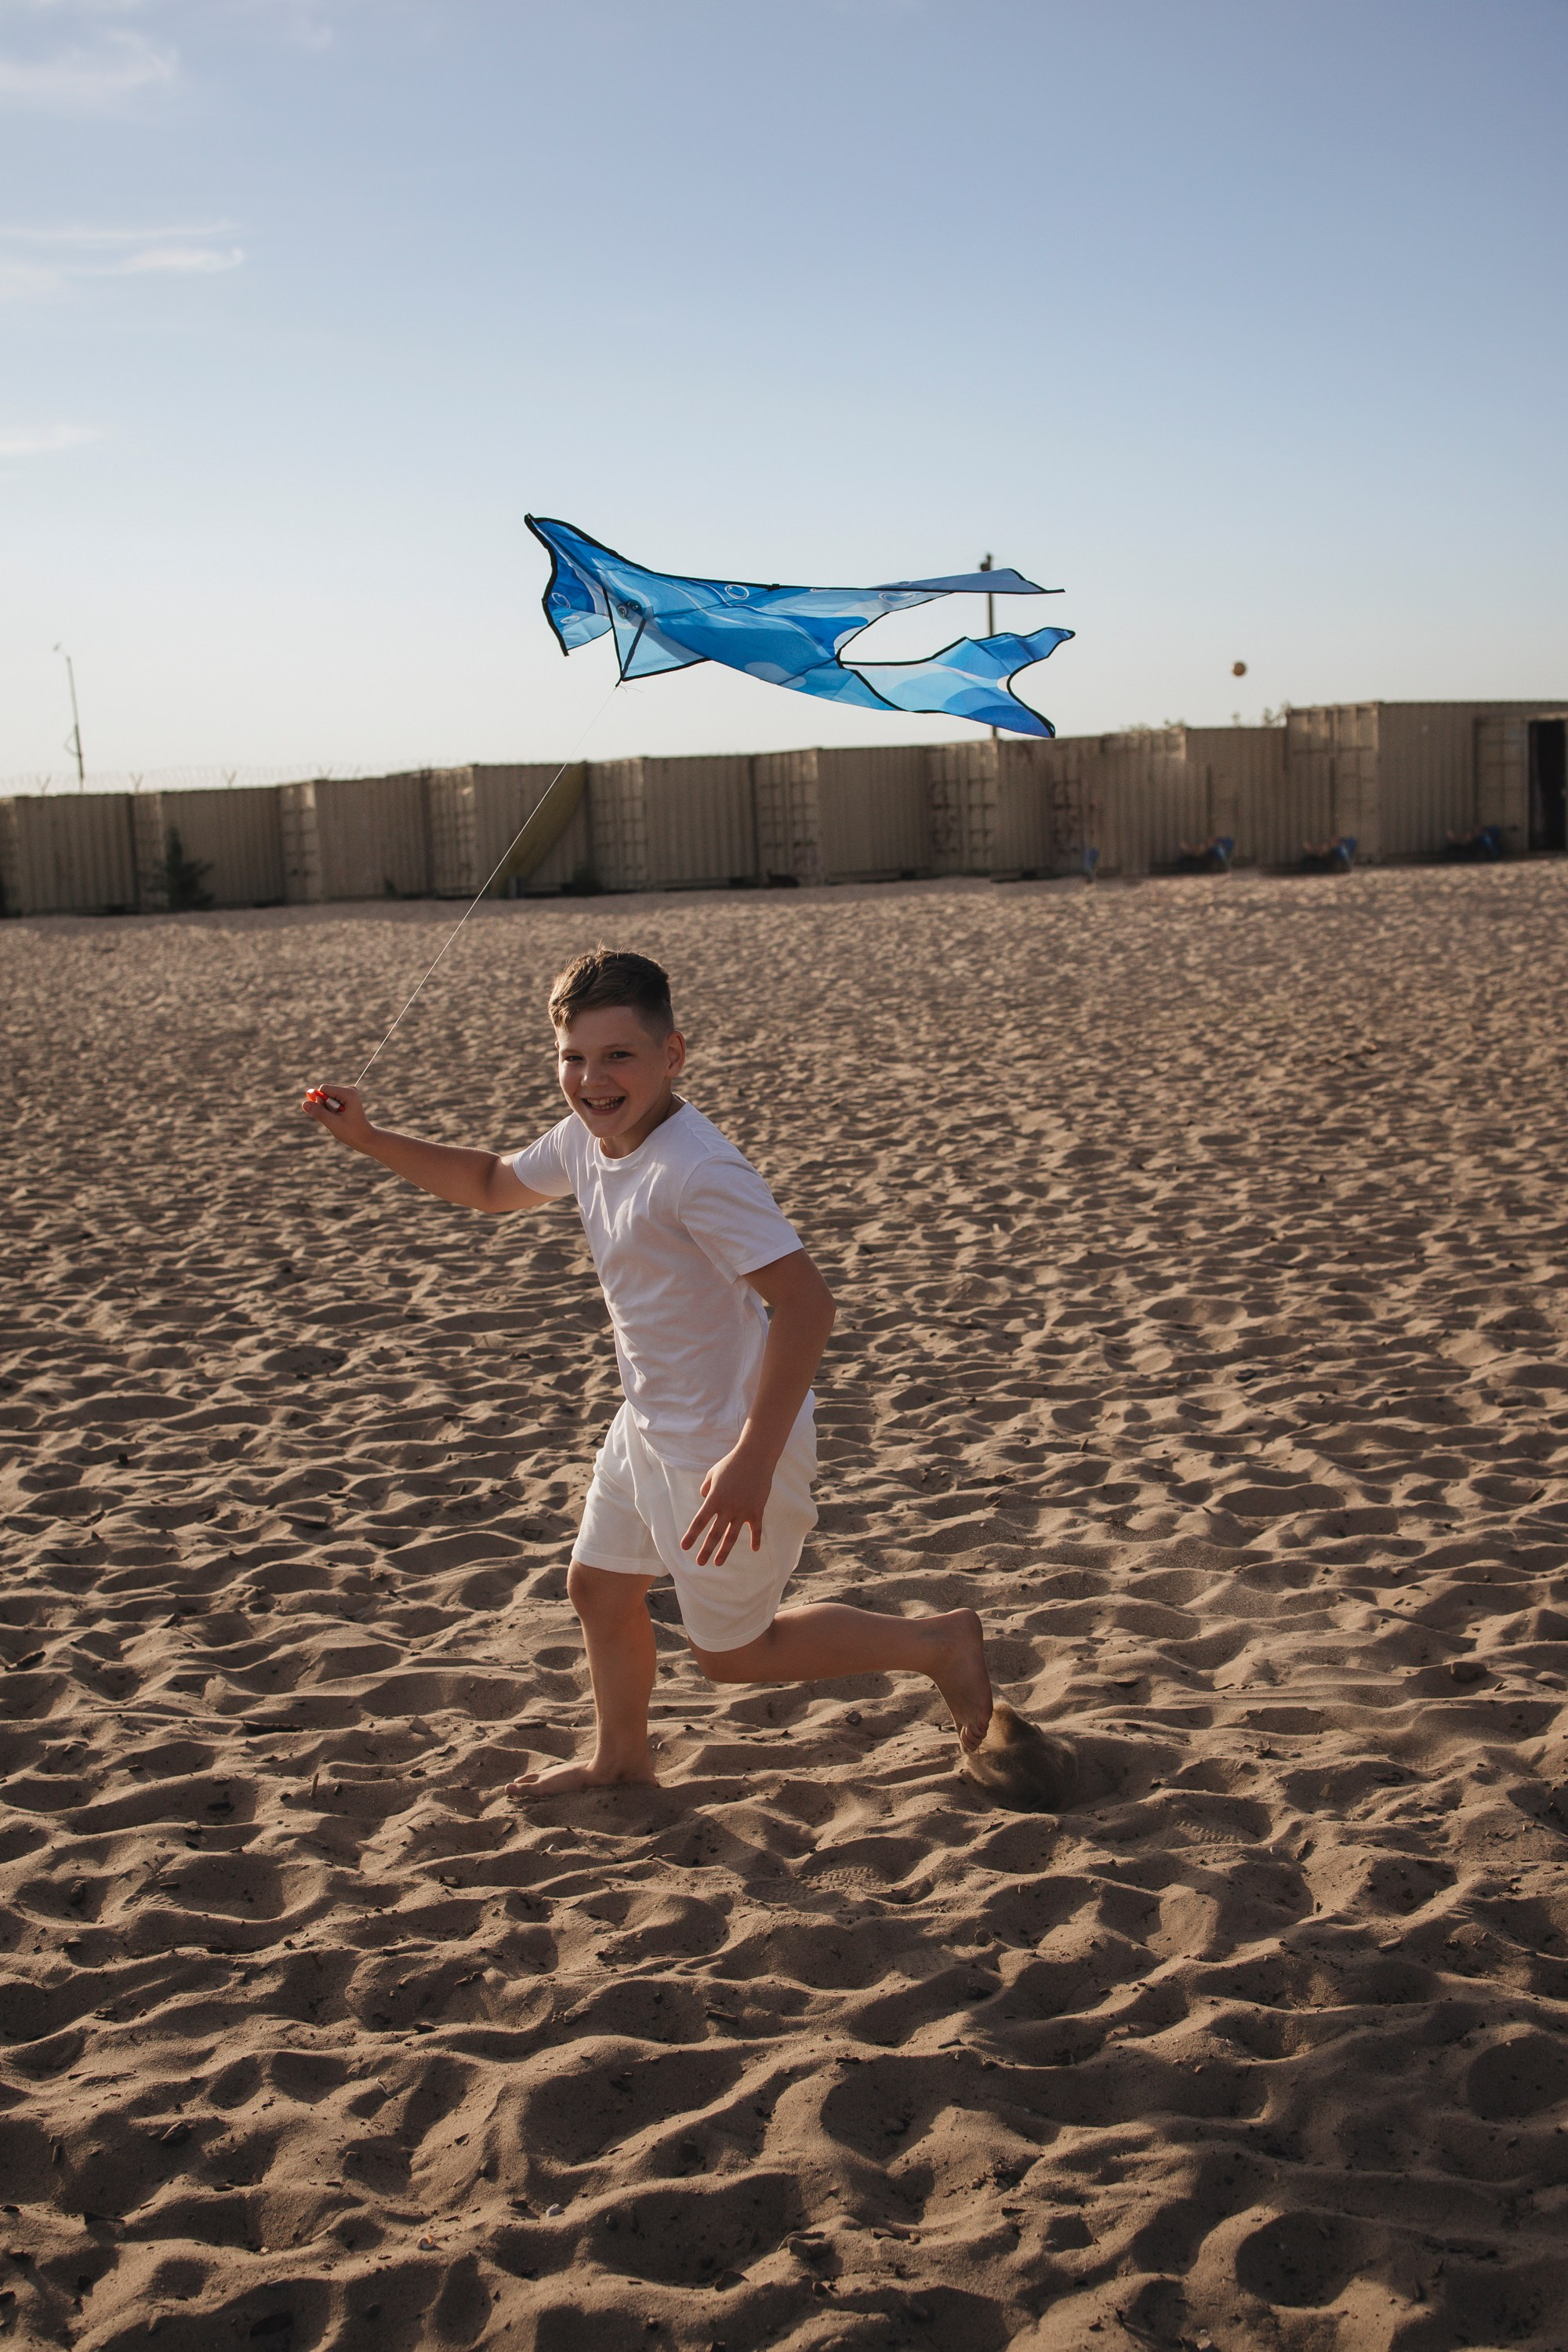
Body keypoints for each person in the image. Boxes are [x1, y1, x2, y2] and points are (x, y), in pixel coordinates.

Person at [302, 947, 993, 1795]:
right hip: (648, 1422)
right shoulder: (585, 1139)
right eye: (574, 1058)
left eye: (618, 1055)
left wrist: (751, 1459)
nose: (593, 1080)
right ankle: (622, 1759)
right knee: (599, 1589)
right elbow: (488, 1183)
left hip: (727, 1442)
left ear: (673, 1055)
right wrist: (369, 1138)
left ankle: (938, 1643)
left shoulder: (696, 1170)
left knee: (734, 1654)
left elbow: (807, 1304)